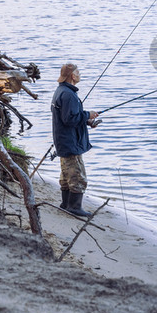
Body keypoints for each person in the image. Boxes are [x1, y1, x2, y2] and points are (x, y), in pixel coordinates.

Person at [51, 63, 99, 217]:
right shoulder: (69, 94)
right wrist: (87, 115)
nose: (80, 74)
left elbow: (68, 116)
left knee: (66, 175)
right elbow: (69, 119)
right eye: (78, 71)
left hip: (63, 140)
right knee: (78, 176)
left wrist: (86, 120)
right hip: (70, 142)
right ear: (72, 75)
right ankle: (74, 207)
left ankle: (65, 204)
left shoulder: (62, 91)